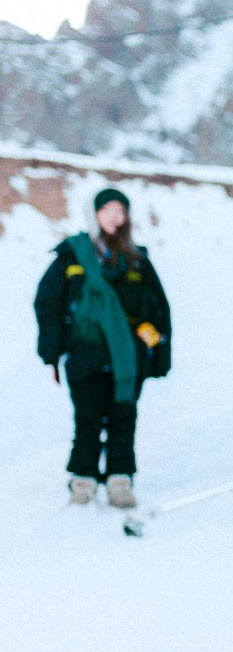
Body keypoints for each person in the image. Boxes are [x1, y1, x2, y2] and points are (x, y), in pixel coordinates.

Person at [33, 187, 172, 509]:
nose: (115, 216)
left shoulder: (137, 260)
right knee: (88, 418)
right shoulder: (72, 256)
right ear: (93, 214)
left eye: (121, 210)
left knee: (124, 417)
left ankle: (119, 479)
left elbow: (160, 310)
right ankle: (83, 479)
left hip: (128, 357)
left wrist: (157, 352)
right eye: (108, 209)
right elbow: (48, 304)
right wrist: (52, 350)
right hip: (86, 353)